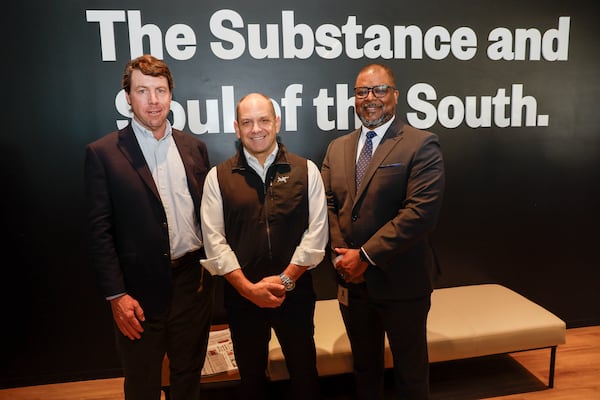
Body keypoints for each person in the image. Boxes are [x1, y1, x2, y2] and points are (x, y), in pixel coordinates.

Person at [84, 54, 213, 400]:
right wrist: (117, 296)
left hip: (191, 286)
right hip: (137, 296)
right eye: (143, 91)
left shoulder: (194, 148)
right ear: (128, 97)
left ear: (171, 94)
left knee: (188, 377)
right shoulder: (103, 153)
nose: (153, 101)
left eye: (160, 90)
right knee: (141, 384)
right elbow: (100, 232)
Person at [321, 63, 445, 400]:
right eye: (362, 92)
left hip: (402, 282)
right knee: (364, 369)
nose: (370, 98)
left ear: (395, 96)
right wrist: (343, 257)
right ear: (354, 98)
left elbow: (419, 214)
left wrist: (364, 257)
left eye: (379, 90)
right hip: (352, 282)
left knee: (411, 373)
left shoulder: (421, 144)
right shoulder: (337, 148)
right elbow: (327, 205)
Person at [200, 93, 328, 400]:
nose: (256, 129)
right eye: (247, 122)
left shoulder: (306, 170)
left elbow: (317, 234)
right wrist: (247, 289)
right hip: (242, 298)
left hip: (294, 295)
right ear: (236, 128)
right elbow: (214, 240)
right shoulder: (217, 178)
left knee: (304, 375)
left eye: (263, 120)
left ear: (277, 123)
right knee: (251, 379)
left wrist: (285, 281)